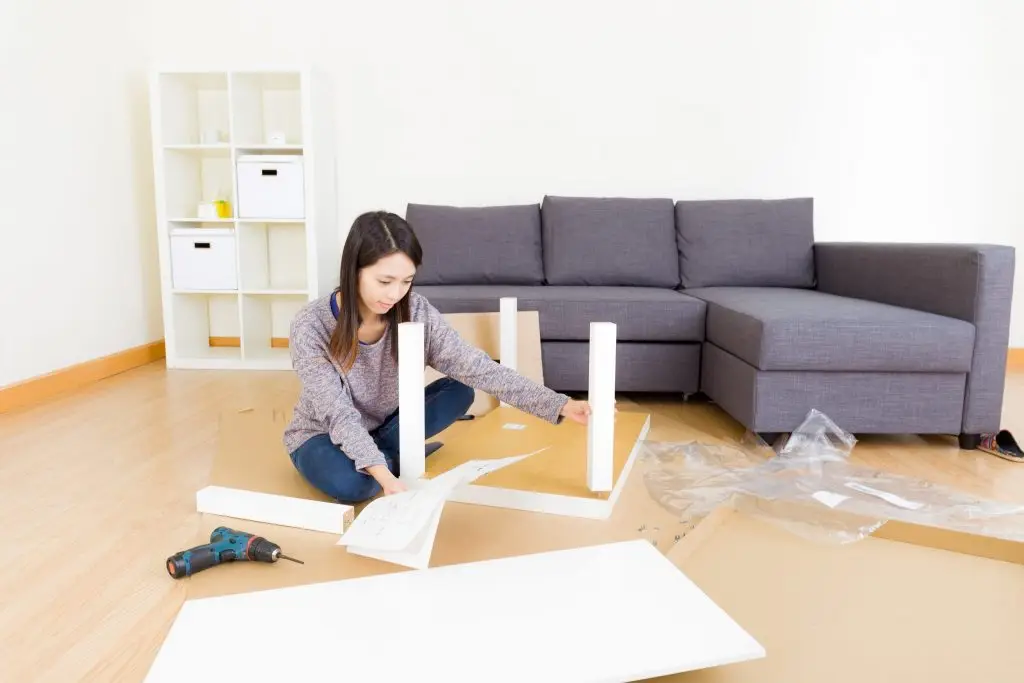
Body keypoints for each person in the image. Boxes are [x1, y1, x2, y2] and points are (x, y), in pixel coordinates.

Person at [284, 210, 592, 504]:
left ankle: (381, 453)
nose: (395, 295)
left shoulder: (415, 311)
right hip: (322, 433)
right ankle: (382, 458)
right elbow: (338, 414)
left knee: (459, 389)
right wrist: (385, 476)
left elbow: (478, 367)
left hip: (384, 425)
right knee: (354, 485)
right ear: (354, 271)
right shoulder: (311, 325)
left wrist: (560, 404)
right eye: (384, 281)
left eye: (406, 282)